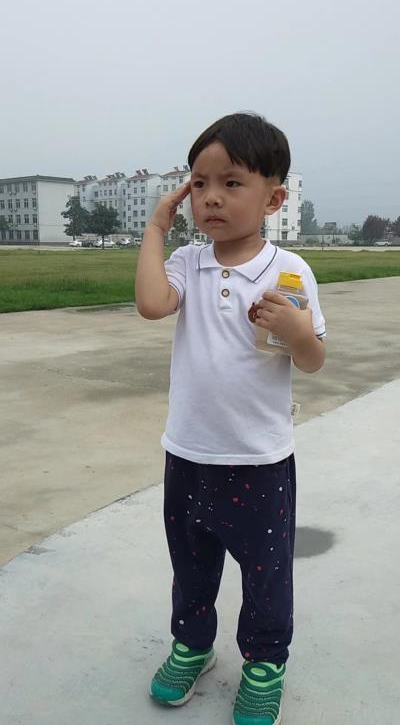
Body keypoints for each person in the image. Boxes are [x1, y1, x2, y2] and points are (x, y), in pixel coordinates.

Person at [135, 112, 326, 725]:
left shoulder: (288, 270)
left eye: (231, 182)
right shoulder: (188, 262)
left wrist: (297, 330)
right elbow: (151, 304)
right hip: (189, 453)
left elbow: (312, 360)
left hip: (258, 460)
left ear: (273, 198)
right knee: (191, 566)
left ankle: (265, 662)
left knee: (266, 574)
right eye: (199, 183)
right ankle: (192, 646)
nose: (211, 197)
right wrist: (156, 228)